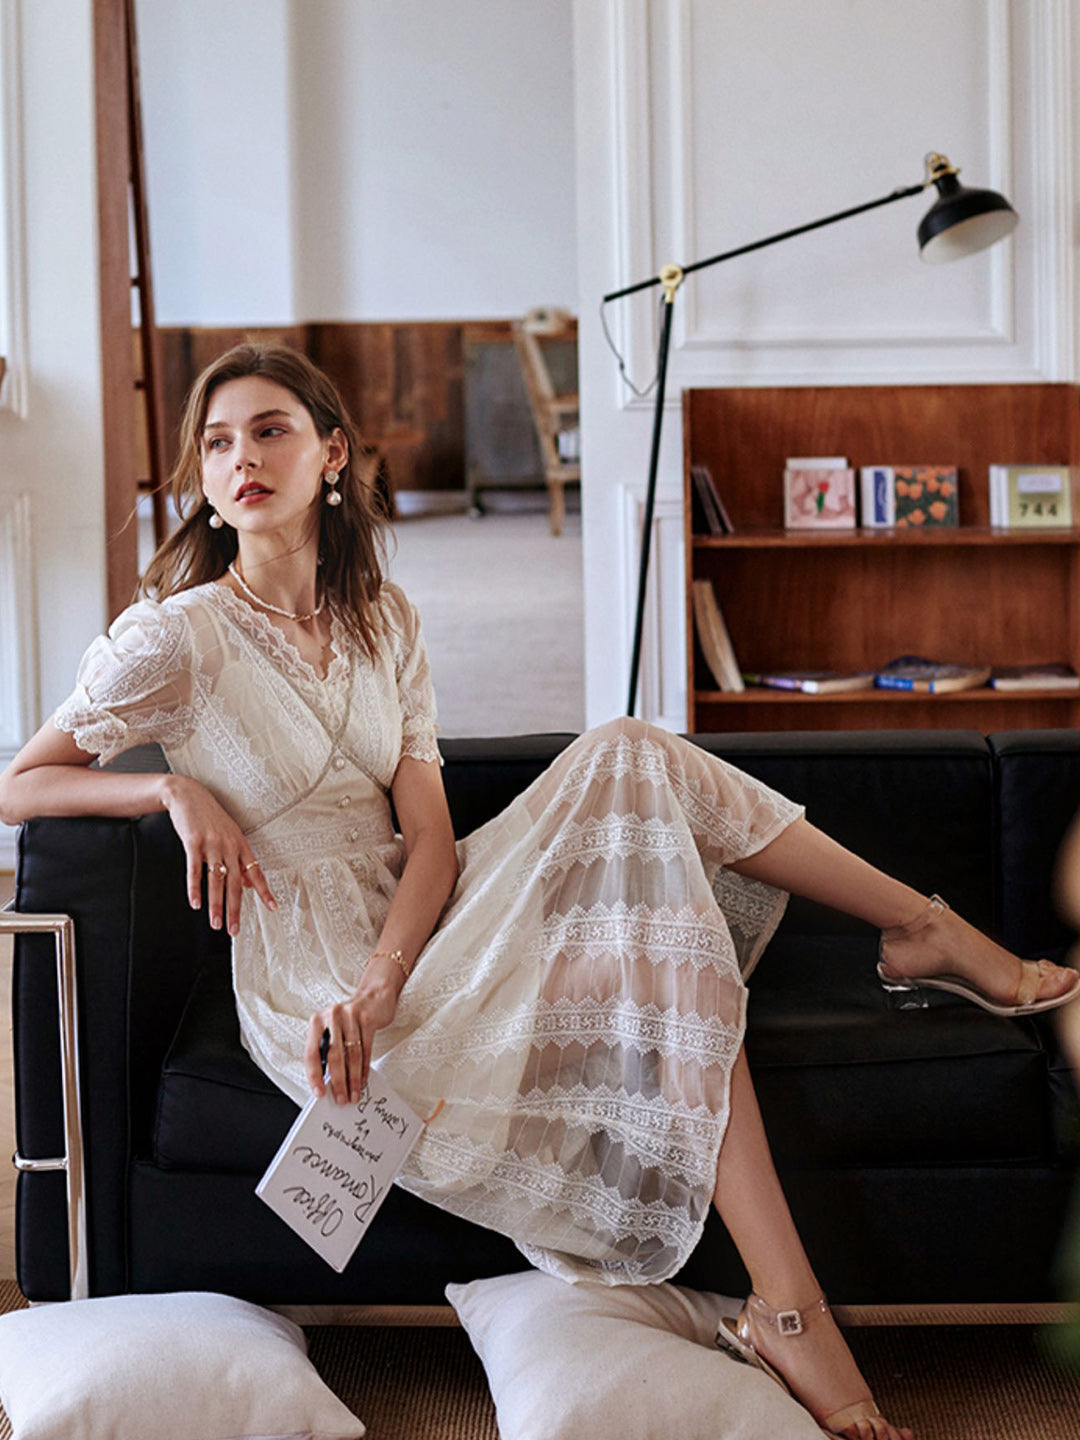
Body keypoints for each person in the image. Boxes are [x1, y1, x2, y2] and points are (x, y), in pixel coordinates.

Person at [2, 344, 1077, 1440]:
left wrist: (390, 974)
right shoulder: (173, 637)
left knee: (630, 751)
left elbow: (429, 839)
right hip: (312, 977)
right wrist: (171, 789)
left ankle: (918, 935)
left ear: (332, 456)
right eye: (218, 442)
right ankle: (794, 1302)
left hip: (420, 925)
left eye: (269, 430)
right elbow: (18, 785)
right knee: (660, 942)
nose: (242, 459)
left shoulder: (384, 619)